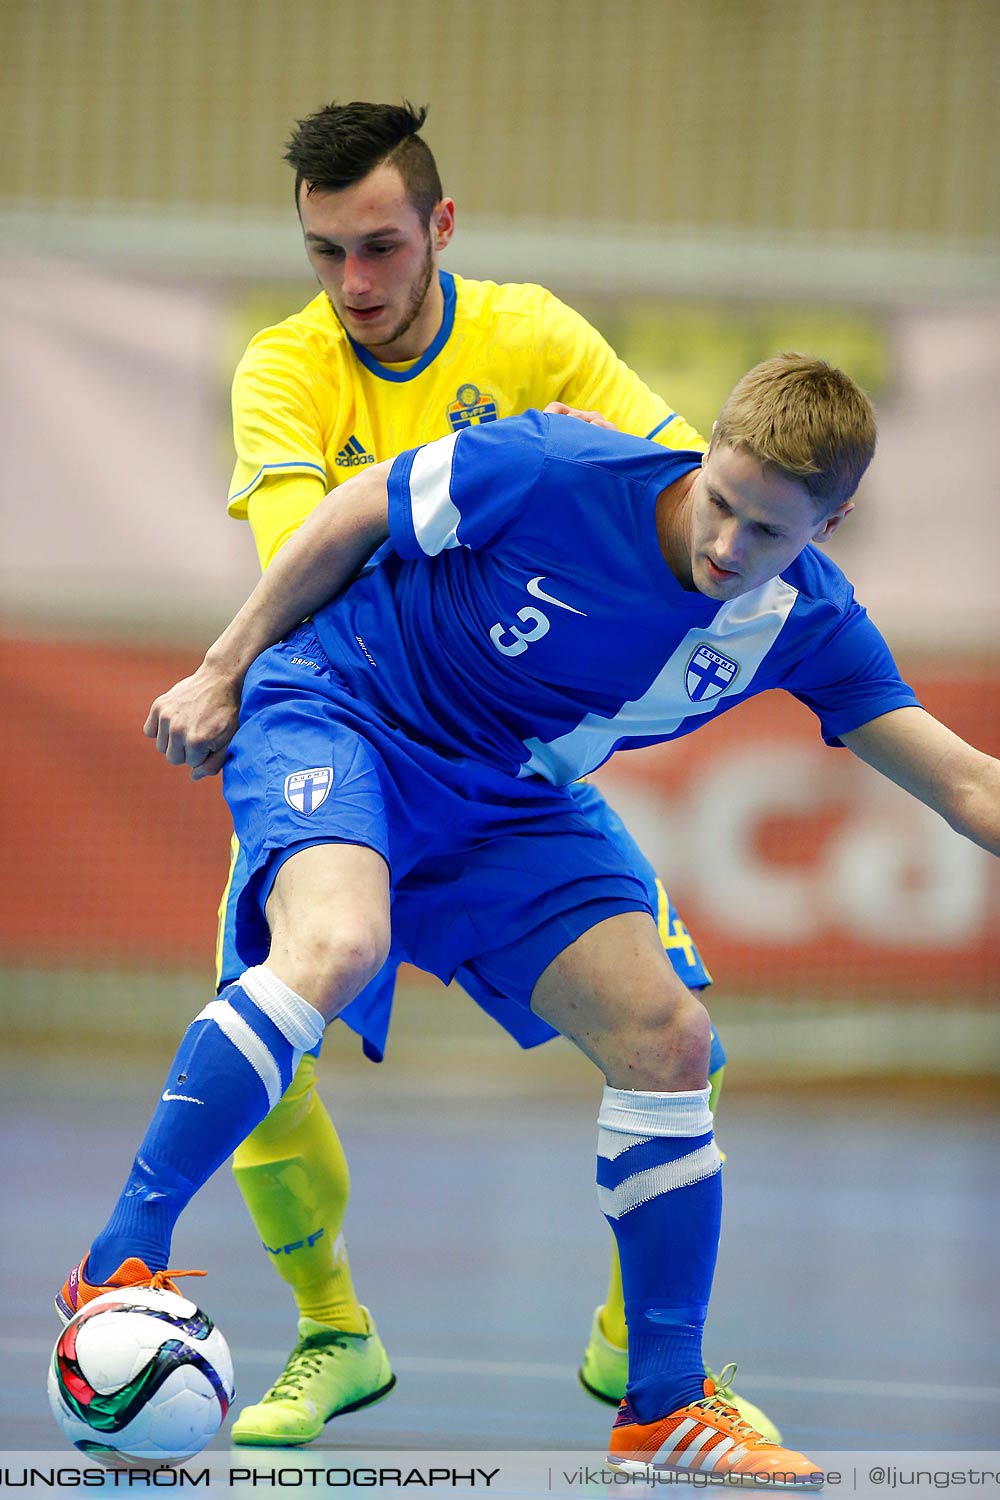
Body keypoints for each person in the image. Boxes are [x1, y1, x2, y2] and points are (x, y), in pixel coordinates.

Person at [59, 354, 1000, 1482]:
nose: (726, 549)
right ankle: (119, 1263)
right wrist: (223, 667)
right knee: (338, 941)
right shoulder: (557, 469)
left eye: (769, 534)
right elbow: (362, 505)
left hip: (507, 797)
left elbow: (965, 784)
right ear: (701, 455)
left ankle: (661, 1408)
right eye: (720, 505)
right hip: (345, 709)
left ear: (832, 523)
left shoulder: (805, 621)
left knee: (671, 1039)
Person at [214, 99, 771, 1446]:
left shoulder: (535, 336)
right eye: (327, 252)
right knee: (257, 1052)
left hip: (505, 765)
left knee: (679, 1033)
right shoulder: (281, 373)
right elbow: (325, 565)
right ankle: (334, 1334)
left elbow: (678, 493)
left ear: (441, 228)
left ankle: (639, 1347)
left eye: (383, 247)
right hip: (349, 738)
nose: (356, 284)